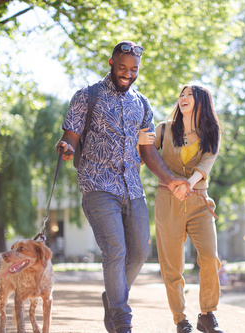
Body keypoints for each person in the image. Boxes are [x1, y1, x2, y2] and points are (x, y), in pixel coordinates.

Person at [56, 41, 189, 333]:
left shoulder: (142, 104)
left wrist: (169, 179)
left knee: (140, 252)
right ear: (111, 63)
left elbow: (148, 151)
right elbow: (71, 137)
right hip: (97, 184)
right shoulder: (86, 96)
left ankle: (113, 297)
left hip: (133, 188)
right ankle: (121, 320)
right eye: (122, 67)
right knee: (115, 251)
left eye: (133, 69)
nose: (127, 74)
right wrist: (66, 147)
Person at [152, 85, 224, 333]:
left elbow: (206, 163)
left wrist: (187, 184)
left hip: (199, 201)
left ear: (201, 101)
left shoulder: (212, 132)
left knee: (209, 258)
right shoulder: (163, 129)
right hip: (167, 201)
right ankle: (180, 320)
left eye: (189, 95)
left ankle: (207, 314)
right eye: (181, 94)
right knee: (172, 265)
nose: (182, 98)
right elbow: (145, 156)